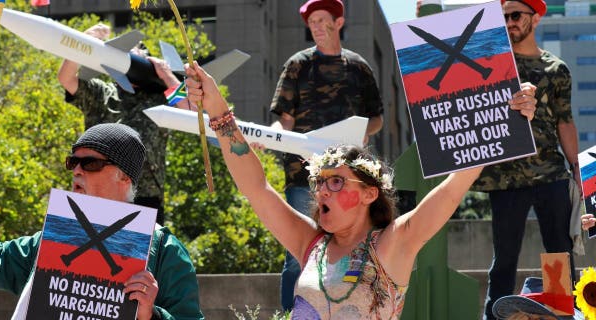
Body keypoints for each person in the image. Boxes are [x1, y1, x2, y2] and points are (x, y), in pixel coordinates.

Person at [184, 62, 536, 318]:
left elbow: (453, 187)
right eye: (319, 182)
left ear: (370, 193)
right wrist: (216, 106)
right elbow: (257, 188)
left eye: (335, 181)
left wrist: (505, 118)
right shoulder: (311, 246)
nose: (321, 191)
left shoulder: (393, 244)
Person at [0, 123, 203, 320]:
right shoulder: (53, 237)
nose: (77, 170)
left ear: (124, 177)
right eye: (73, 162)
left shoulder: (164, 250)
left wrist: (151, 314)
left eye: (90, 163)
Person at [269, 0, 384, 310]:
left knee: (354, 250)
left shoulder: (358, 67)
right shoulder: (298, 64)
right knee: (298, 253)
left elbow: (377, 118)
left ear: (339, 22)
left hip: (349, 179)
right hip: (302, 175)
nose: (317, 26)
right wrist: (273, 134)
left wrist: (363, 132)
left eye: (322, 20)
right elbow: (284, 117)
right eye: (312, 22)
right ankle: (291, 315)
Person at [472, 1, 581, 318]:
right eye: (503, 17)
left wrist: (578, 172)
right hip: (506, 179)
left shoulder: (557, 69)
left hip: (552, 176)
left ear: (535, 19)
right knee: (504, 259)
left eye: (516, 15)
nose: (509, 22)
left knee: (559, 256)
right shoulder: (489, 66)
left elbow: (565, 122)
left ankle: (562, 315)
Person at [58, 23, 192, 225]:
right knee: (85, 255)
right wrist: (83, 41)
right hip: (95, 192)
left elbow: (191, 112)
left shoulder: (161, 98)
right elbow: (66, 78)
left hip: (143, 198)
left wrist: (166, 75)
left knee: (132, 257)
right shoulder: (103, 94)